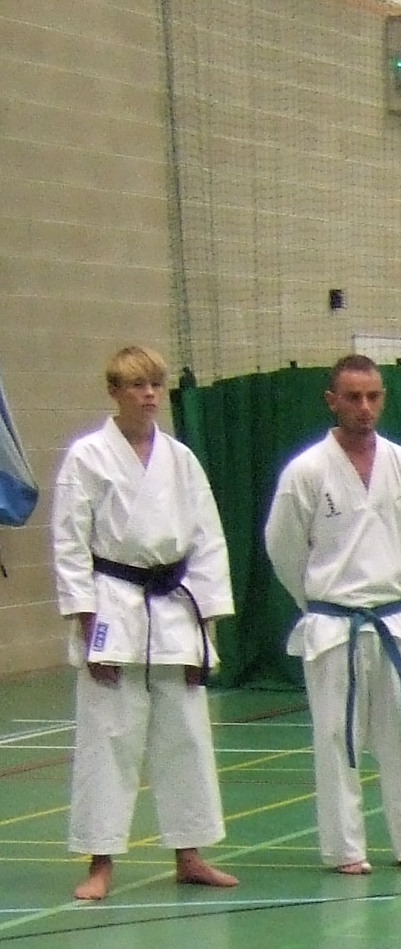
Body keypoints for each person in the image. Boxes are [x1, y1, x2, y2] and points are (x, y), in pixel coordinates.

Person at [52, 346, 236, 902]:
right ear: (115, 392)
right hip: (114, 603)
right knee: (110, 736)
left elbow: (207, 539)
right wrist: (85, 619)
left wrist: (208, 619)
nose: (150, 394)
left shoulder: (181, 460)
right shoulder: (87, 457)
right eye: (137, 386)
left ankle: (191, 853)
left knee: (186, 733)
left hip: (175, 606)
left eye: (155, 384)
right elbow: (69, 542)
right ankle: (101, 859)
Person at [264, 355, 401, 874]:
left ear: (383, 398)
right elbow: (284, 549)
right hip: (332, 622)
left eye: (373, 396)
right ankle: (345, 849)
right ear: (332, 400)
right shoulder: (306, 470)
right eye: (353, 397)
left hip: (390, 615)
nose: (364, 407)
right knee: (335, 740)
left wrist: (387, 587)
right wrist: (318, 601)